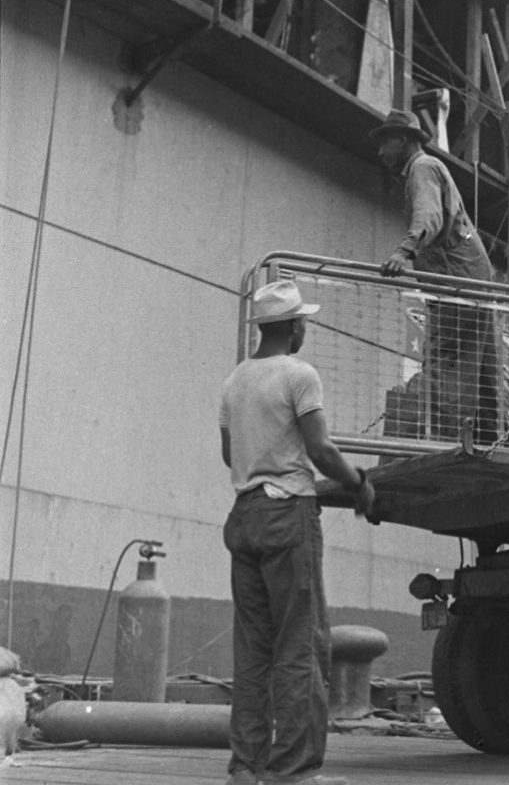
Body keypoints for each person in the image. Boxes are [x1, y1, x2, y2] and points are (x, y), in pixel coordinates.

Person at [219, 280, 375, 785]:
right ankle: (294, 772)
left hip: (243, 516)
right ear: (292, 326)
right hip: (288, 517)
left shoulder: (235, 381)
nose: (307, 326)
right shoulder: (299, 375)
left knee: (254, 652)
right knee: (301, 648)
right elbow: (321, 450)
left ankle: (246, 767)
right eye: (303, 320)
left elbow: (229, 455)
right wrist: (359, 486)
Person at [370, 109, 498, 445]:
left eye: (385, 143)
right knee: (475, 363)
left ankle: (444, 442)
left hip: (457, 281)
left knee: (443, 361)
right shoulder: (428, 168)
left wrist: (404, 252)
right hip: (473, 278)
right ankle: (485, 440)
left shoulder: (422, 167)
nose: (380, 153)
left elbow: (429, 216)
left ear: (403, 139)